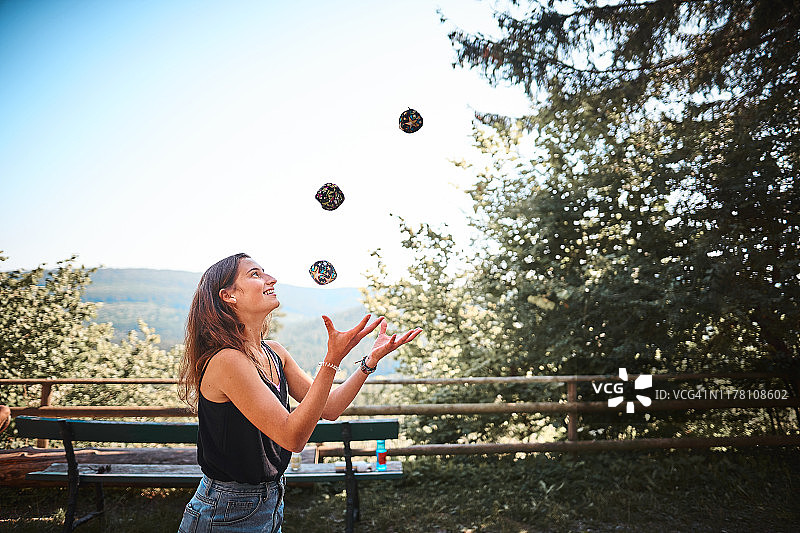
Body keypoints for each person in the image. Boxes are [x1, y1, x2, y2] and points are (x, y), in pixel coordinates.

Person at [177, 253, 421, 533]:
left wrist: (369, 363)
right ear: (229, 296)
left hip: (269, 500)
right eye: (255, 274)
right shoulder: (227, 360)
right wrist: (332, 360)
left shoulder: (275, 352)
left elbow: (329, 408)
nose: (271, 279)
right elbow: (292, 437)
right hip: (226, 509)